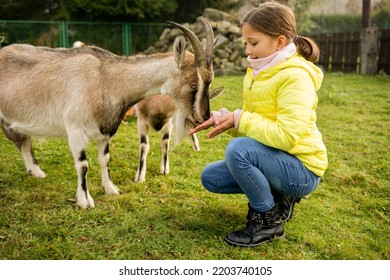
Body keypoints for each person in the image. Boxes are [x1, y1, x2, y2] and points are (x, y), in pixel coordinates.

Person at [189, 1, 328, 247]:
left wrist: (239, 119)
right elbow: (258, 125)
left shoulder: (295, 77)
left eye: (253, 43)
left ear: (280, 42)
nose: (247, 51)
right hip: (278, 158)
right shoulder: (260, 71)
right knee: (211, 178)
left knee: (239, 150)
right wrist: (226, 118)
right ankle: (278, 196)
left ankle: (267, 221)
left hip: (302, 170)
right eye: (246, 43)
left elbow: (285, 136)